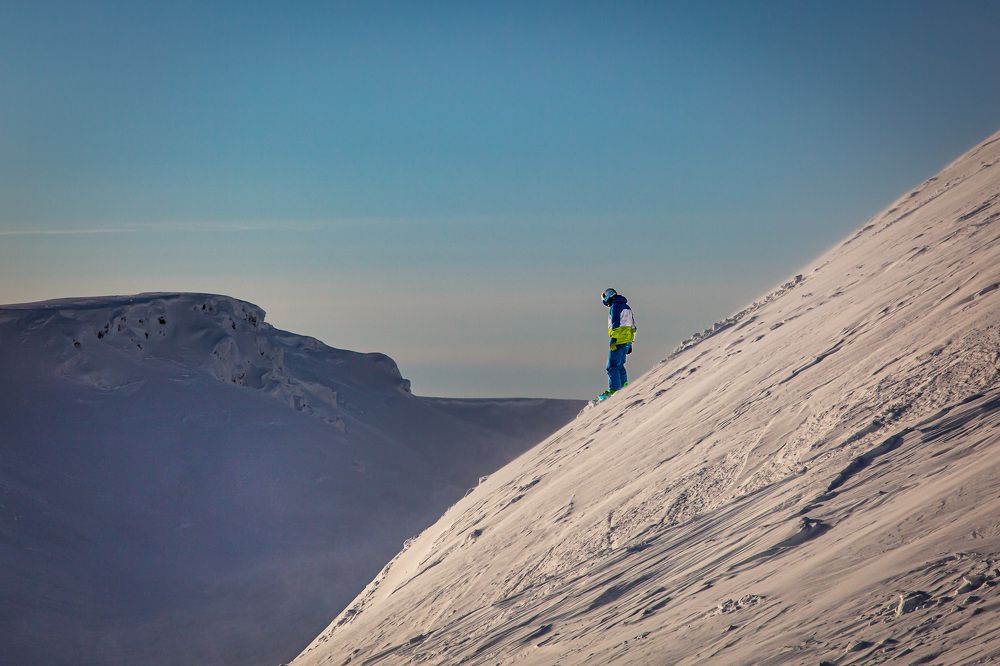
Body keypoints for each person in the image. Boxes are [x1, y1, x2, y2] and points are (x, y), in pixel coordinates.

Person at [598, 288, 636, 400]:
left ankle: (614, 389)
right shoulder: (626, 306)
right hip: (627, 339)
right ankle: (624, 386)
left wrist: (613, 339)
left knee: (611, 366)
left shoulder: (615, 306)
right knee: (619, 365)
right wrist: (630, 342)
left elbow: (615, 323)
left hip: (618, 339)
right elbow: (633, 325)